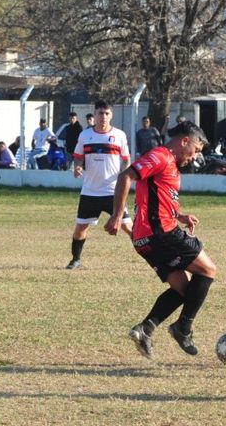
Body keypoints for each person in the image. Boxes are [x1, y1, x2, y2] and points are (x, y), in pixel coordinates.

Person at [106, 121, 216, 358]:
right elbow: (127, 176)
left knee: (184, 289)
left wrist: (180, 214)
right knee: (208, 270)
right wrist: (117, 215)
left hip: (145, 238)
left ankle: (145, 329)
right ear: (184, 141)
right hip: (160, 233)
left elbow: (157, 197)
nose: (195, 157)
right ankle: (183, 328)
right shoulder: (161, 156)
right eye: (196, 150)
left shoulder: (171, 166)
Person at [68, 100, 132, 269]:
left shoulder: (119, 135)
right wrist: (78, 167)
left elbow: (126, 160)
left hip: (113, 192)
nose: (103, 117)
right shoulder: (85, 135)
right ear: (94, 115)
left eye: (107, 113)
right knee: (81, 227)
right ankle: (75, 260)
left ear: (111, 115)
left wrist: (124, 179)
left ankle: (153, 259)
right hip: (90, 191)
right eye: (100, 113)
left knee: (128, 227)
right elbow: (78, 156)